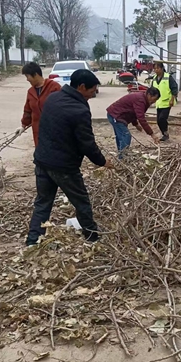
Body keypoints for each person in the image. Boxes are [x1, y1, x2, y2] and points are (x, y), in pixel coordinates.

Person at [26, 69, 112, 247]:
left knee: (43, 203)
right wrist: (103, 162)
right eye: (91, 91)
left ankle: (32, 241)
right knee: (82, 202)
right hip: (63, 166)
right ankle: (92, 237)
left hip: (42, 160)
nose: (92, 95)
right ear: (81, 87)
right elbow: (87, 143)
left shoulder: (53, 98)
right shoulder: (79, 109)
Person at [106, 86, 161, 156]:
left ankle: (121, 155)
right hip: (116, 115)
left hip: (117, 115)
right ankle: (123, 157)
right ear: (149, 95)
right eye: (154, 99)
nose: (154, 102)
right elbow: (141, 118)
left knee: (121, 136)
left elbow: (134, 112)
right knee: (126, 135)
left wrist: (136, 124)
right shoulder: (141, 100)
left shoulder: (143, 98)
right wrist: (152, 134)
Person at [17, 62, 61, 145]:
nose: (27, 79)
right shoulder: (31, 92)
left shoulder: (54, 87)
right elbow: (28, 111)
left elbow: (62, 108)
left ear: (35, 74)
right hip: (38, 131)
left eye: (27, 76)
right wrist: (23, 126)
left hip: (54, 130)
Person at [152, 62, 179, 142]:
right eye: (155, 68)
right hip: (159, 102)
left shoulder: (168, 77)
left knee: (162, 118)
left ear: (161, 68)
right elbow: (152, 90)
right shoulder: (154, 78)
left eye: (158, 68)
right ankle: (164, 133)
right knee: (158, 120)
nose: (156, 70)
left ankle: (165, 133)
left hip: (167, 102)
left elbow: (174, 88)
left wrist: (172, 99)